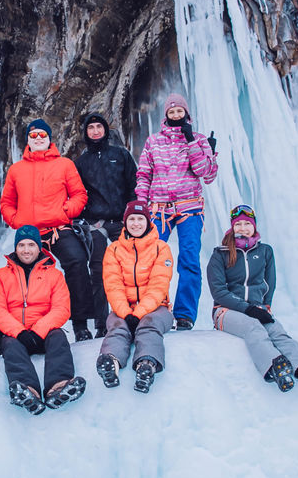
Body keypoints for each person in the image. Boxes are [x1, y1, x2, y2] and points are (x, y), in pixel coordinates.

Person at [206, 205, 298, 395]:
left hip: (257, 308)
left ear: (254, 226)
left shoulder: (265, 251)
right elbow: (219, 292)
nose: (242, 228)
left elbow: (269, 284)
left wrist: (264, 307)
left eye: (246, 224)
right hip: (225, 311)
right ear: (232, 227)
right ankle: (274, 368)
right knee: (253, 327)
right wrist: (248, 310)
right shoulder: (220, 254)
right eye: (238, 224)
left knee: (278, 332)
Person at [0, 119, 93, 341]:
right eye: (34, 135)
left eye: (43, 135)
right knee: (25, 274)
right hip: (30, 233)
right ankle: (27, 323)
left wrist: (66, 211)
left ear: (50, 138)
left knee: (77, 262)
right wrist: (16, 221)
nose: (38, 138)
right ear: (28, 140)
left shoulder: (65, 164)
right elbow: (6, 202)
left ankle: (80, 324)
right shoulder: (16, 169)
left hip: (59, 228)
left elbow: (80, 194)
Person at [135, 94, 218, 331]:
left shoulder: (198, 139)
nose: (175, 115)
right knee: (150, 258)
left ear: (186, 113)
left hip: (189, 207)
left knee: (189, 259)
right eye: (172, 112)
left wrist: (194, 143)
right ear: (166, 115)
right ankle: (153, 305)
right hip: (159, 208)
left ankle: (185, 314)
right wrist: (142, 206)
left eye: (179, 111)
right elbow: (144, 175)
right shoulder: (153, 142)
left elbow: (206, 174)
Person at [0, 225, 86, 414]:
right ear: (16, 247)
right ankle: (28, 391)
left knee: (58, 336)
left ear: (39, 247)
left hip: (43, 332)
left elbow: (61, 308)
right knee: (9, 344)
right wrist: (19, 332)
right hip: (16, 334)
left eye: (31, 245)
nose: (26, 250)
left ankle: (58, 386)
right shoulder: (0, 276)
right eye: (22, 245)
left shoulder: (54, 275)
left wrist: (37, 331)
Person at [96, 201, 174, 393]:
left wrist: (138, 313)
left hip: (157, 308)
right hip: (124, 307)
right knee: (117, 326)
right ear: (125, 222)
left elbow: (158, 285)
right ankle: (110, 361)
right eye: (132, 219)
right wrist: (125, 312)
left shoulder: (161, 248)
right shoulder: (113, 250)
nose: (136, 223)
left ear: (148, 222)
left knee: (149, 325)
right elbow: (113, 285)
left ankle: (146, 364)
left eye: (140, 219)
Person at [74, 112, 138, 338]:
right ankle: (102, 325)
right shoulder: (81, 163)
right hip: (97, 223)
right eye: (90, 128)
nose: (95, 131)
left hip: (122, 221)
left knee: (131, 268)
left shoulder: (120, 155)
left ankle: (133, 316)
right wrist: (82, 217)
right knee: (99, 271)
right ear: (86, 133)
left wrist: (133, 215)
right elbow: (77, 192)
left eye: (98, 127)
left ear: (105, 130)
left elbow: (133, 184)